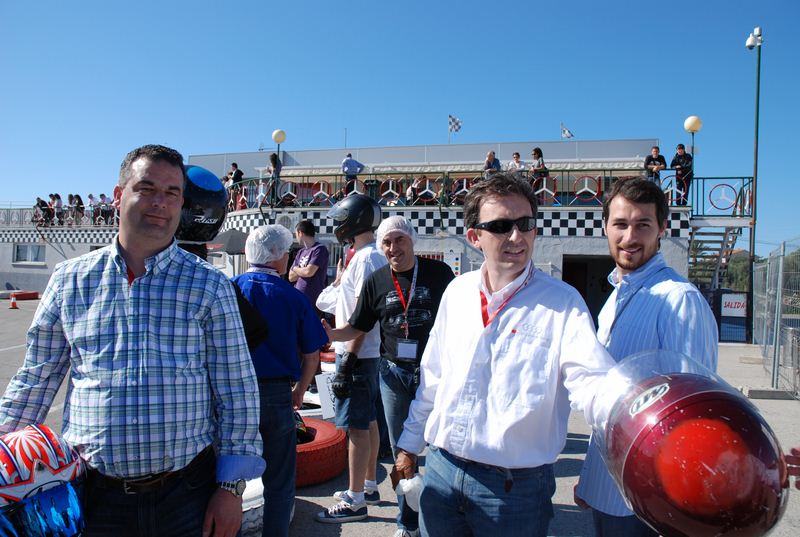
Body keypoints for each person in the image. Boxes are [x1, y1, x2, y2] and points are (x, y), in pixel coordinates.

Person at [0, 144, 264, 536]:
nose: (160, 202)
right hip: (94, 497)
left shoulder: (209, 285)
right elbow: (36, 378)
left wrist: (230, 489)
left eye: (172, 193)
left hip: (187, 495)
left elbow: (237, 390)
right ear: (118, 195)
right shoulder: (69, 280)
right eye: (147, 188)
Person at [392, 172, 615, 537]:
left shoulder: (563, 303)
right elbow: (433, 377)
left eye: (525, 224)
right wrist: (408, 445)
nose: (516, 236)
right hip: (441, 473)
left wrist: (630, 418)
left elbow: (592, 381)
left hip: (514, 492)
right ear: (474, 237)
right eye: (500, 226)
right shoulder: (457, 292)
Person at [573, 177, 719, 537]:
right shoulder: (616, 295)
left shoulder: (679, 299)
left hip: (647, 501)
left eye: (643, 225)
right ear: (605, 226)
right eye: (620, 224)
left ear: (662, 228)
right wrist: (591, 477)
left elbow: (693, 415)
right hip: (609, 487)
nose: (630, 237)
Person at [324, 215, 455, 537]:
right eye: (386, 242)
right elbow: (359, 325)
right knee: (401, 452)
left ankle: (442, 518)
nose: (393, 248)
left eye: (399, 240)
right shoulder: (377, 280)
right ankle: (407, 523)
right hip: (394, 375)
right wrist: (333, 334)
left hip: (436, 374)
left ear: (412, 240)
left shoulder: (439, 273)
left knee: (442, 447)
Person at [233, 225, 327, 537]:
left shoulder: (230, 288)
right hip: (276, 394)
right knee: (279, 481)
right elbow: (312, 355)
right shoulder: (293, 297)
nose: (289, 258)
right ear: (276, 256)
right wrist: (299, 390)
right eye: (286, 253)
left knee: (227, 480)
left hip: (233, 393)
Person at [315, 194, 387, 524]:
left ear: (353, 221)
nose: (337, 225)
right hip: (364, 353)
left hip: (357, 353)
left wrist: (347, 360)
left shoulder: (367, 259)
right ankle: (368, 486)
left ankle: (355, 499)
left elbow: (364, 317)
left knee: (357, 428)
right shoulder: (366, 257)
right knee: (368, 421)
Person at [289, 220, 330, 312]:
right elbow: (291, 277)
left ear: (300, 233)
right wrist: (303, 270)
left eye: (296, 234)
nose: (296, 237)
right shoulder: (300, 252)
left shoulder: (319, 249)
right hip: (298, 298)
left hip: (313, 300)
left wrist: (295, 268)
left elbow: (309, 272)